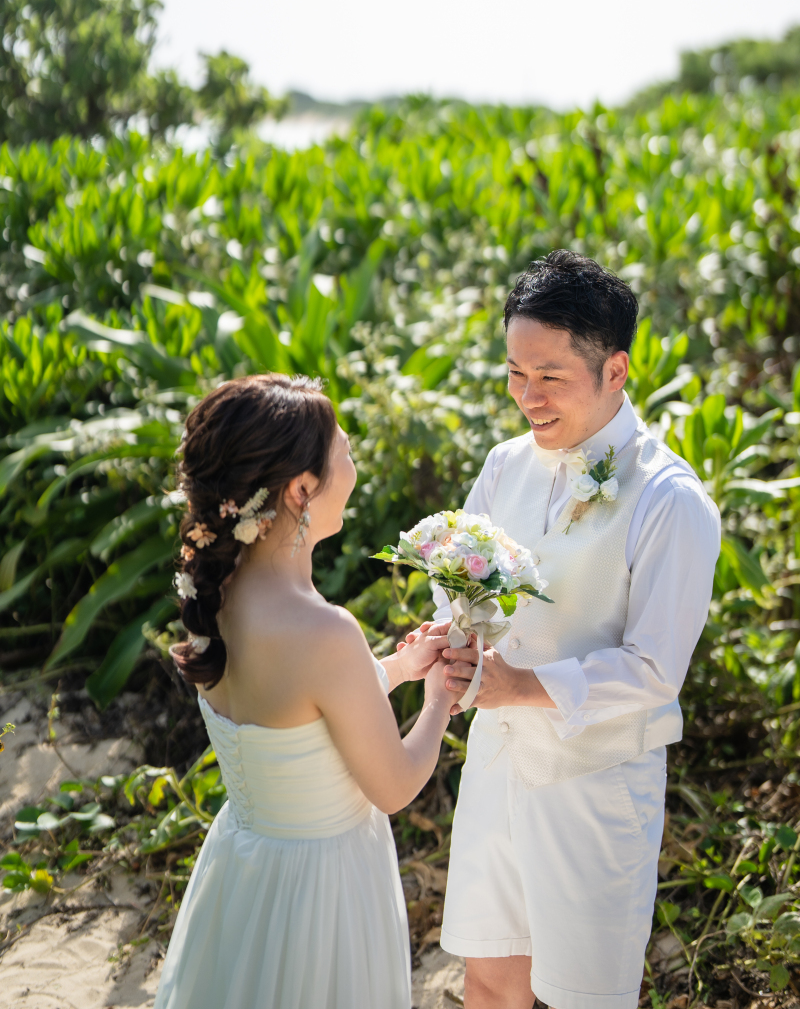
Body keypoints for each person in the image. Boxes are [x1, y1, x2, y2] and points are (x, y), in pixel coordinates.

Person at [426, 251, 721, 1009]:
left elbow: (655, 670)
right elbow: (462, 586)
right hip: (496, 767)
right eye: (515, 373)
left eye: (549, 376)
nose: (528, 397)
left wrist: (523, 686)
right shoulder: (503, 465)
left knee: (585, 997)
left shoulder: (671, 500)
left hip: (595, 788)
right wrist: (449, 639)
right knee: (489, 981)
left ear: (615, 370)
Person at [154, 373, 453, 1009]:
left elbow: (295, 715)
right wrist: (440, 700)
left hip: (244, 869)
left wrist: (395, 670)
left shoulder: (219, 593)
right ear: (300, 490)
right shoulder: (324, 632)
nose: (353, 463)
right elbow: (395, 786)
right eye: (344, 452)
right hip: (323, 890)